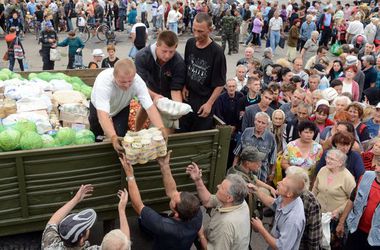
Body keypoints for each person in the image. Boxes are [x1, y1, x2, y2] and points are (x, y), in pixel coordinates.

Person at [119, 152, 205, 249]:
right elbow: (172, 191)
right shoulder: (196, 213)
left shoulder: (163, 226)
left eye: (174, 199)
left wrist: (130, 175)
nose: (174, 194)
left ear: (176, 214)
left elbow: (137, 205)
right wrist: (164, 166)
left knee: (143, 222)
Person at [89, 59, 165, 155]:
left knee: (121, 136)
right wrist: (112, 137)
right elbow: (103, 115)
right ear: (114, 76)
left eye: (130, 81)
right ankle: (97, 154)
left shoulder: (138, 81)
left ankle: (120, 159)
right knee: (97, 133)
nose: (127, 85)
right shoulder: (104, 83)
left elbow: (150, 107)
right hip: (98, 107)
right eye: (123, 82)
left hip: (122, 106)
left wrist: (161, 128)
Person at [41, 184, 131, 249]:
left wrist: (76, 199)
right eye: (86, 227)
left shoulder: (50, 245)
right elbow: (124, 242)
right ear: (81, 241)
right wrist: (122, 209)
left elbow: (53, 221)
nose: (88, 228)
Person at [179, 13, 226, 132]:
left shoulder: (217, 52)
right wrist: (184, 85)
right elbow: (186, 66)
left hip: (204, 102)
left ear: (210, 30)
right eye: (194, 30)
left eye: (200, 31)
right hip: (188, 98)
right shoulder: (190, 43)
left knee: (197, 139)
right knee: (181, 131)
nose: (196, 34)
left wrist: (209, 104)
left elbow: (220, 83)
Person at [186, 164, 250, 250]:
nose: (218, 186)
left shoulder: (226, 225)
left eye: (221, 187)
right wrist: (198, 180)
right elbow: (208, 201)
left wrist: (201, 234)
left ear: (229, 198)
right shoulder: (239, 201)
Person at [135, 30, 186, 132]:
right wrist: (154, 96)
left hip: (168, 92)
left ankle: (165, 139)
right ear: (157, 45)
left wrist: (177, 109)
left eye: (171, 52)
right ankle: (136, 131)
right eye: (164, 51)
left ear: (176, 47)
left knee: (170, 120)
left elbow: (176, 90)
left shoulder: (178, 62)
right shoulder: (142, 56)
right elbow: (140, 85)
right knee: (145, 107)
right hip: (149, 88)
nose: (167, 55)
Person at [250, 168, 306, 250]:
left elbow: (280, 247)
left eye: (282, 184)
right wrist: (257, 191)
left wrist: (261, 228)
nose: (278, 183)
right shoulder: (288, 198)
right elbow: (273, 203)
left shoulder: (293, 221)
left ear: (289, 194)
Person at [313, 149, 356, 247]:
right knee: (316, 241)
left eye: (332, 159)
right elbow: (315, 188)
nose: (328, 160)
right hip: (318, 213)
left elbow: (353, 199)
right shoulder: (323, 170)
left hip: (334, 218)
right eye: (327, 157)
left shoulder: (347, 177)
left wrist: (338, 210)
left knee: (330, 243)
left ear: (340, 162)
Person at [336, 163, 380, 250]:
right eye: (378, 165)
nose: (377, 169)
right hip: (356, 229)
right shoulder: (365, 176)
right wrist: (341, 223)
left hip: (376, 239)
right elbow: (352, 199)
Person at [234, 112, 277, 182]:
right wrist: (234, 168)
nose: (260, 125)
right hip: (243, 173)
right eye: (258, 121)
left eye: (263, 123)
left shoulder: (271, 137)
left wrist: (272, 174)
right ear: (254, 121)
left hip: (261, 175)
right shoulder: (246, 132)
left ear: (267, 125)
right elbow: (237, 153)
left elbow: (273, 159)